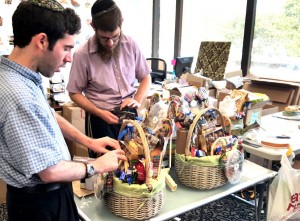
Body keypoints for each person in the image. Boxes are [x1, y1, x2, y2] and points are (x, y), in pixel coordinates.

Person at [0, 0, 126, 220]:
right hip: (40, 205)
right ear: (42, 40)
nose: (69, 58)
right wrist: (95, 166)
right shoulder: (19, 95)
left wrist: (89, 141)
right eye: (66, 48)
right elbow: (50, 171)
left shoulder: (20, 75)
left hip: (44, 198)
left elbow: (48, 116)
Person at [66, 0, 152, 158]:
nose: (111, 43)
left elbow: (146, 77)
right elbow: (74, 93)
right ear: (93, 27)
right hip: (100, 118)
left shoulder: (130, 44)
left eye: (115, 36)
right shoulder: (82, 55)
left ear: (122, 23)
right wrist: (100, 112)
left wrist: (137, 100)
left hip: (129, 115)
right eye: (104, 38)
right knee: (104, 170)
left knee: (132, 162)